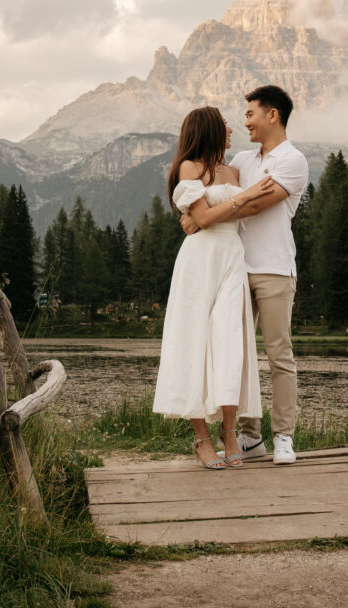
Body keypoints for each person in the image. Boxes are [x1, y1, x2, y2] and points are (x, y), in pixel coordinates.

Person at [180, 85, 309, 464]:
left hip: (273, 268)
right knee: (234, 355)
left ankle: (283, 435)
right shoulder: (242, 161)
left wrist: (200, 216)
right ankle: (250, 437)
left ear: (273, 115)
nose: (245, 121)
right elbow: (215, 201)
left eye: (251, 113)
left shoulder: (293, 161)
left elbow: (257, 206)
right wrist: (196, 215)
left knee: (278, 354)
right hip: (232, 268)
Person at [152, 106, 274, 469]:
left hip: (231, 256)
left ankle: (230, 432)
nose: (231, 131)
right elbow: (205, 218)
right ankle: (202, 439)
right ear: (207, 129)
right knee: (194, 341)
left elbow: (222, 216)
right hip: (199, 262)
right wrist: (237, 199)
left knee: (231, 342)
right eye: (224, 126)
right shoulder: (189, 168)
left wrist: (203, 215)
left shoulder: (232, 171)